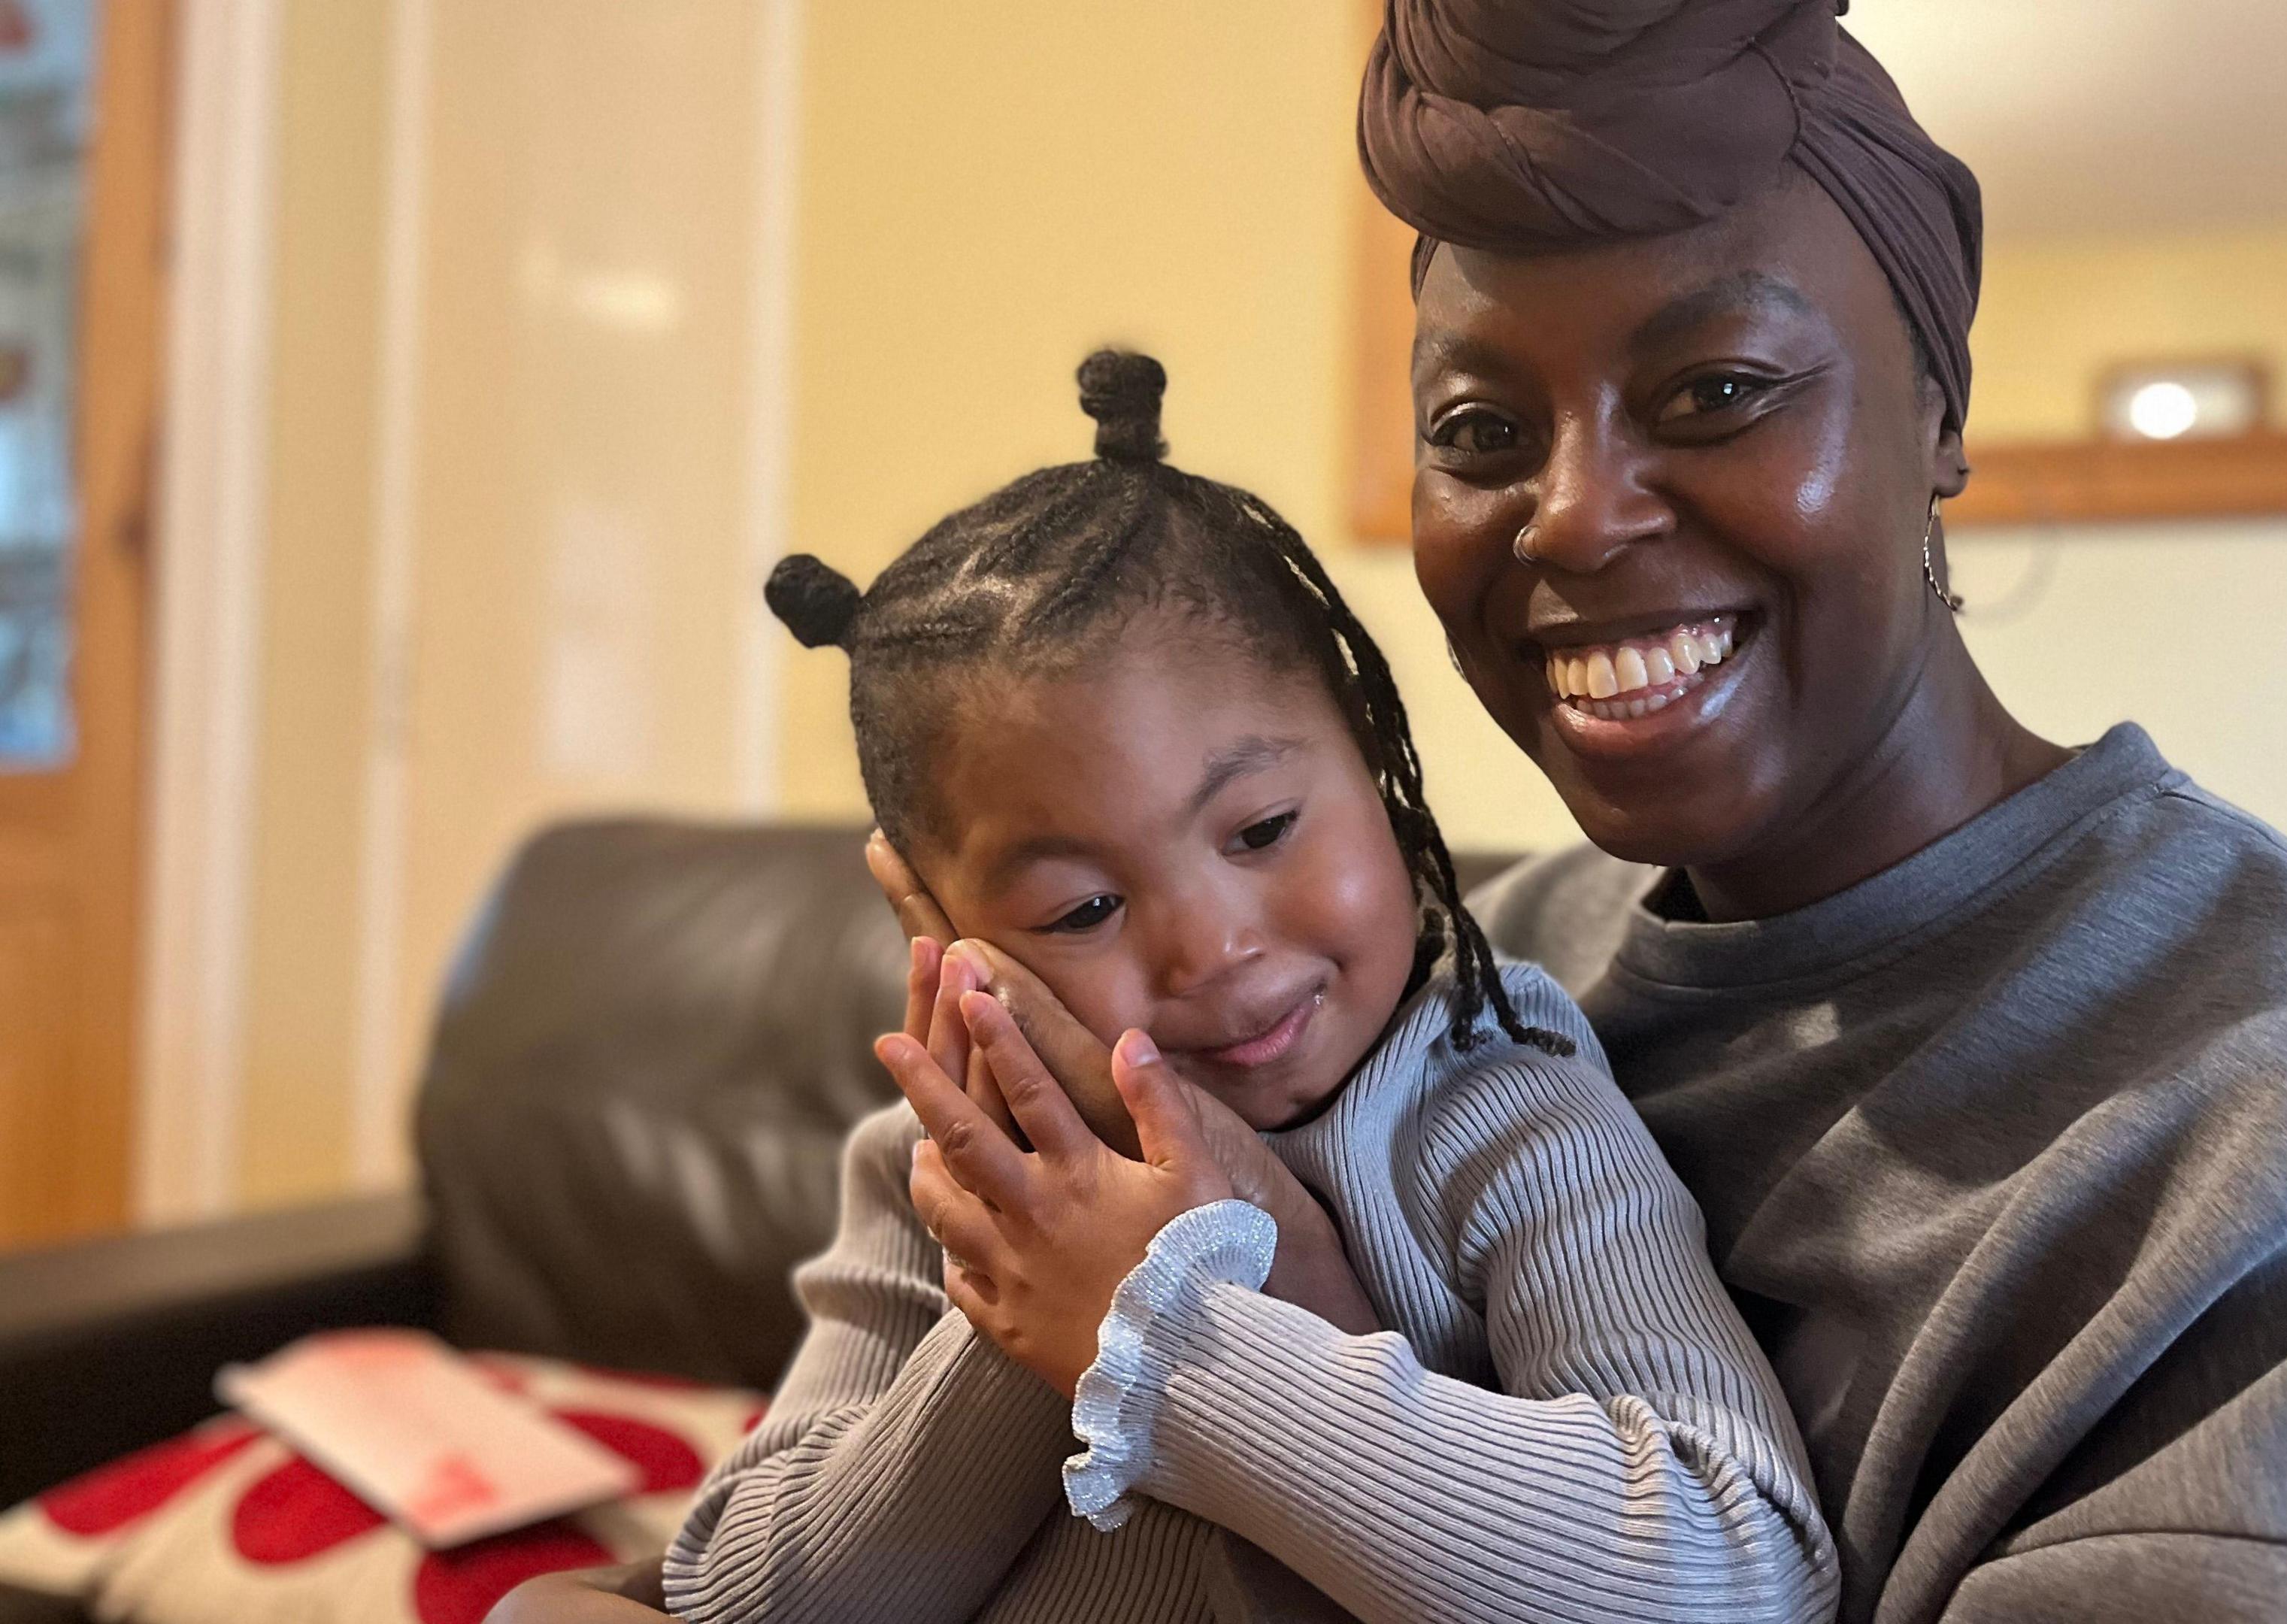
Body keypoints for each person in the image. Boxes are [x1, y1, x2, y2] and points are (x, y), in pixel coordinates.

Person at [850, 4, 2287, 1620]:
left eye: (1717, 393)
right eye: (1479, 427)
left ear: (1940, 400)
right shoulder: (1464, 987)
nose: (1575, 516)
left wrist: (1269, 1332)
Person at [507, 350, 1840, 1624]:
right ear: (943, 928)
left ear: (1374, 751)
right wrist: (1039, 1292)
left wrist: (1159, 1330)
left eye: (1261, 830)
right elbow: (742, 1600)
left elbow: (1738, 1576)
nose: (1213, 951)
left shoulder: (1502, 1106)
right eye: (1083, 909)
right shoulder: (945, 1181)